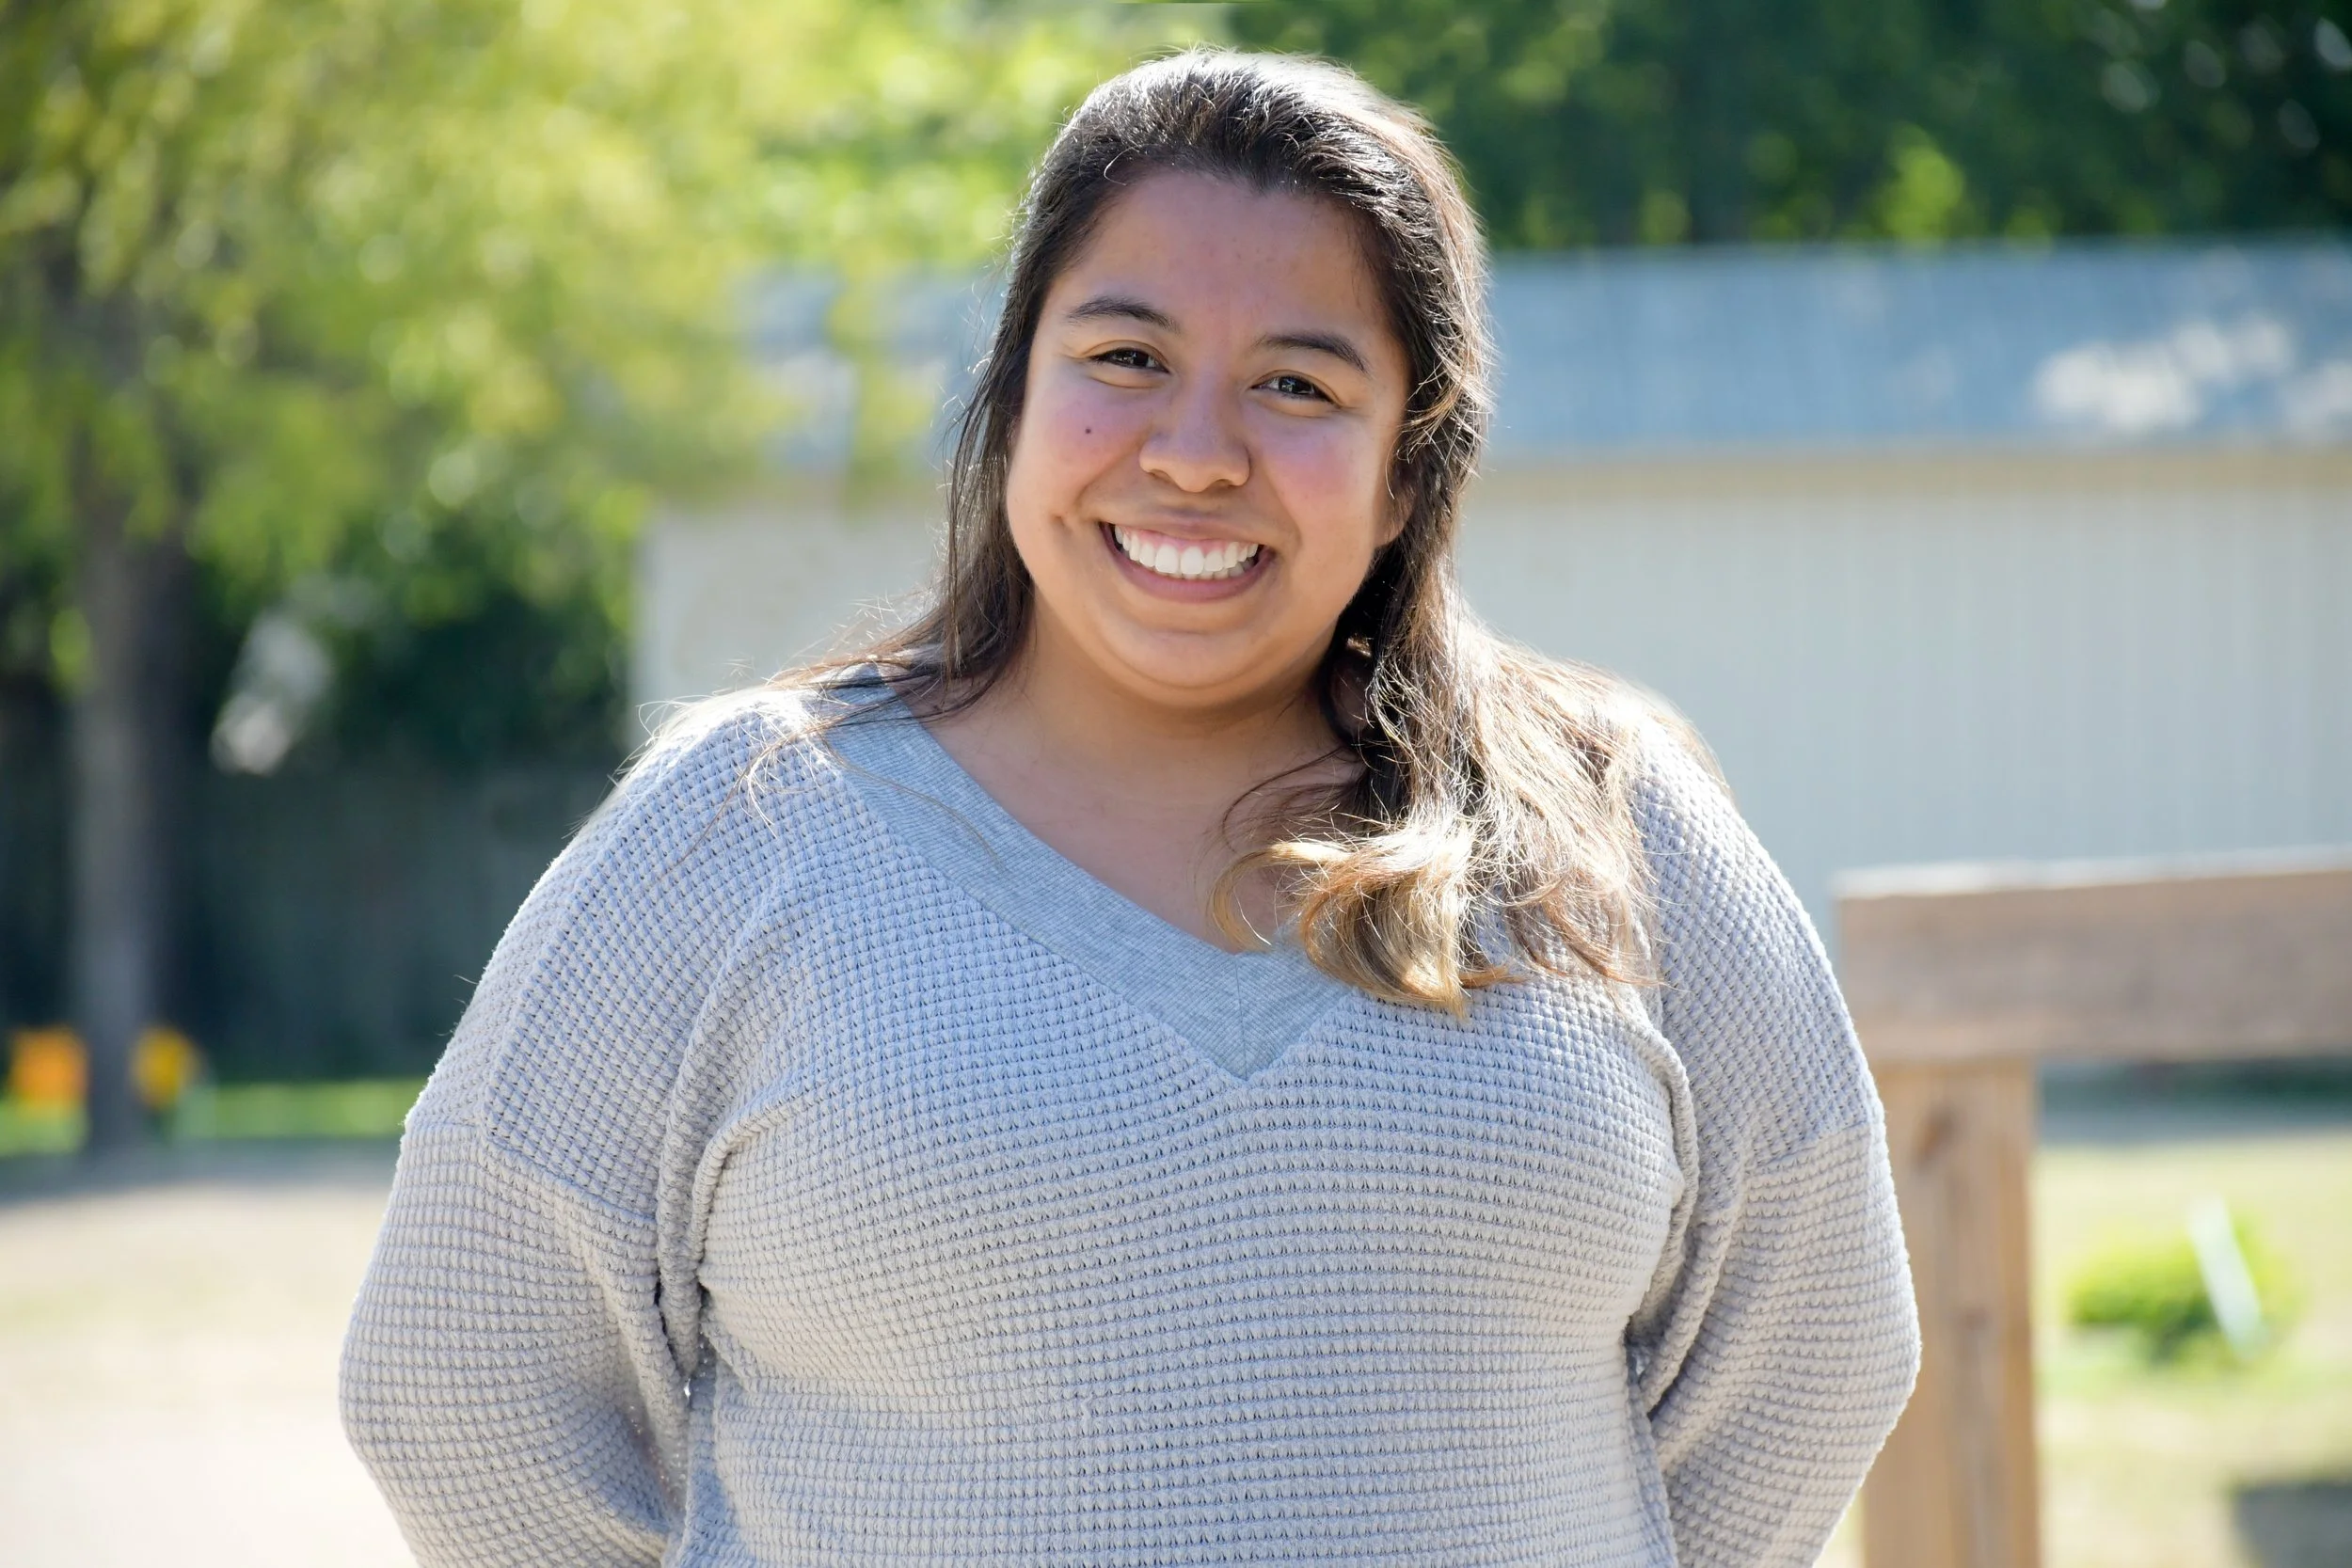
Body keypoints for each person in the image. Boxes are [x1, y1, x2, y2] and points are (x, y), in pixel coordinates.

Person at [341, 48, 1918, 1567]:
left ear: (1404, 469)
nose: (1194, 453)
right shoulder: (739, 832)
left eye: (1298, 383)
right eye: (1125, 358)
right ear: (1015, 391)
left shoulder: (1610, 833)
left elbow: (1818, 1342)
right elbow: (466, 1380)